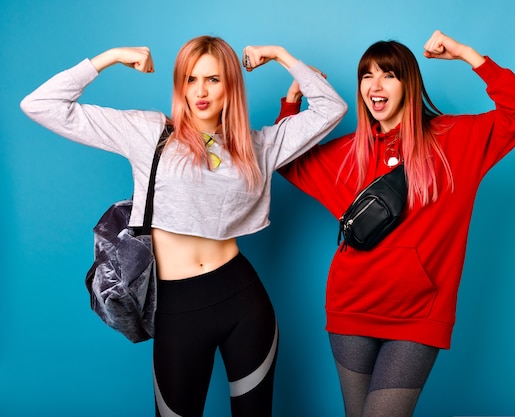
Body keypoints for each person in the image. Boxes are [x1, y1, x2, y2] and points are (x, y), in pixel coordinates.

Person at [20, 36, 347, 417]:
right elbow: (41, 105)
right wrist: (108, 58)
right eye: (190, 79)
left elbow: (331, 107)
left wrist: (280, 56)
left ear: (231, 85)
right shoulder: (149, 133)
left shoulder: (258, 146)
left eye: (213, 79)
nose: (200, 91)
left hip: (244, 300)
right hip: (178, 306)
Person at [275, 30, 515, 417]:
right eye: (367, 76)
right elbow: (286, 157)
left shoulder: (456, 140)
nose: (376, 85)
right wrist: (293, 98)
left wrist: (469, 55)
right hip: (351, 308)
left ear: (409, 83)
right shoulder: (349, 153)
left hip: (419, 316)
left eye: (389, 75)